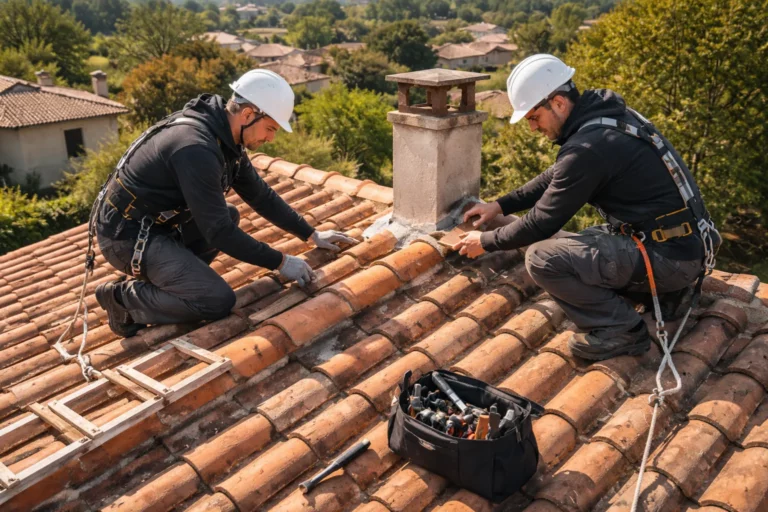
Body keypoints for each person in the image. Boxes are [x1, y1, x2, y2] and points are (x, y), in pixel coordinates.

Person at [454, 54, 719, 361]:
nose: (533, 128)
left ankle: (621, 330)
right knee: (580, 242)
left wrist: (486, 241)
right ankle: (667, 294)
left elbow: (541, 223)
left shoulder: (588, 147)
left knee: (542, 258)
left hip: (670, 259)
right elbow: (555, 176)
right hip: (687, 246)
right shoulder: (609, 118)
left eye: (533, 117)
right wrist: (500, 205)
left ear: (558, 103)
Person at [94, 69, 355, 337]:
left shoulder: (225, 139)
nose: (271, 139)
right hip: (126, 237)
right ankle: (121, 299)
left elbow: (260, 195)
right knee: (215, 300)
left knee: (229, 214)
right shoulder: (195, 147)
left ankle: (176, 278)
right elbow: (218, 232)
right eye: (270, 129)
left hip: (159, 227)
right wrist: (281, 262)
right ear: (248, 114)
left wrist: (310, 234)